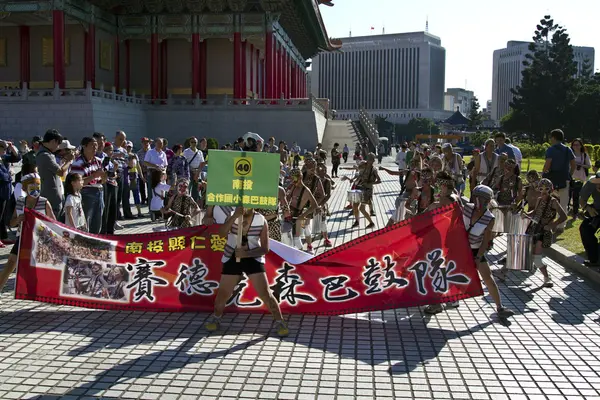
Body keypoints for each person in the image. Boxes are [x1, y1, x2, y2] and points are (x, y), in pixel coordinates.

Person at [424, 185, 514, 318]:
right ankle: (437, 303)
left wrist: (478, 257)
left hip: (475, 250)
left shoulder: (489, 218)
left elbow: (485, 241)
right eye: (477, 197)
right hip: (458, 248)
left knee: (488, 278)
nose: (479, 201)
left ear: (488, 201)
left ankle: (500, 307)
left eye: (483, 199)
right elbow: (449, 209)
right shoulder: (467, 208)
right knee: (445, 274)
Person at [204, 206, 289, 337]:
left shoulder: (261, 220)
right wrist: (233, 217)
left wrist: (247, 254)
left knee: (266, 294)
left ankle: (280, 321)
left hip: (252, 257)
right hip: (231, 256)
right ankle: (216, 318)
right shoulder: (232, 214)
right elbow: (221, 233)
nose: (245, 207)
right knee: (223, 293)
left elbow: (265, 248)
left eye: (249, 204)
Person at [0, 173, 55, 293]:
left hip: (40, 239)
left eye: (38, 186)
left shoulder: (44, 202)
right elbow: (11, 223)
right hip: (23, 238)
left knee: (41, 268)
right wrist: (18, 219)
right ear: (25, 188)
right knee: (10, 263)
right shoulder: (20, 202)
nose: (36, 189)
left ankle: (45, 291)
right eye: (32, 187)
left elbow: (54, 223)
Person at [71, 137, 105, 234]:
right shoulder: (78, 162)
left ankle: (95, 242)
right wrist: (94, 175)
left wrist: (106, 175)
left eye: (96, 145)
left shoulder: (98, 160)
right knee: (86, 221)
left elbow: (102, 180)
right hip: (86, 193)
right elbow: (77, 183)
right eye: (92, 145)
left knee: (97, 221)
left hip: (99, 191)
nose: (95, 147)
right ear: (84, 147)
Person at [543, 129, 575, 232]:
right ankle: (561, 226)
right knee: (564, 202)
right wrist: (569, 175)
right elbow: (573, 164)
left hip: (552, 178)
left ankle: (551, 223)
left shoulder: (551, 150)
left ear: (553, 137)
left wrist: (544, 173)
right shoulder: (567, 149)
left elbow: (548, 164)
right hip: (564, 178)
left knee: (552, 202)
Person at [37, 129, 72, 217]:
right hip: (51, 198)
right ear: (53, 141)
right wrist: (69, 161)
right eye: (58, 143)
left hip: (52, 196)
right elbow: (60, 172)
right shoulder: (45, 155)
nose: (58, 146)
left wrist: (64, 160)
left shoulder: (46, 154)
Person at [286, 168, 319, 251]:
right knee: (288, 237)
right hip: (290, 214)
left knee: (296, 238)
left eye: (294, 179)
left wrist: (303, 215)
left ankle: (301, 254)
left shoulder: (306, 190)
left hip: (299, 215)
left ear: (300, 177)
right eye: (291, 179)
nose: (293, 181)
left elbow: (315, 205)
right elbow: (288, 199)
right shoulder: (294, 186)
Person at [0, 140, 20, 246]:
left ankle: (3, 236)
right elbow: (1, 176)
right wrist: (9, 174)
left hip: (5, 191)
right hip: (1, 190)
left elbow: (16, 158)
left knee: (3, 215)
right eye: (2, 148)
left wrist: (12, 148)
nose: (4, 150)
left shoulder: (3, 158)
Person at [352, 153, 380, 228]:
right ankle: (357, 221)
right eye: (368, 158)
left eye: (371, 158)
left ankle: (371, 223)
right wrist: (356, 167)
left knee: (362, 208)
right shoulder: (363, 165)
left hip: (367, 190)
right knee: (355, 205)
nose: (369, 160)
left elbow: (379, 180)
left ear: (373, 160)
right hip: (360, 187)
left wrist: (370, 182)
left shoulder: (374, 169)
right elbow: (357, 168)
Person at [579, 172, 600, 267]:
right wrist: (588, 208)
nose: (599, 185)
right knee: (585, 228)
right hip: (596, 210)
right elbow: (582, 200)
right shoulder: (590, 183)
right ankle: (593, 259)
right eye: (597, 183)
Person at [144, 138, 168, 220]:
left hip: (161, 174)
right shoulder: (150, 152)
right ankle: (152, 215)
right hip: (152, 173)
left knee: (162, 194)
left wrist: (164, 171)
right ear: (155, 143)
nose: (160, 145)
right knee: (152, 193)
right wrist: (155, 166)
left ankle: (160, 214)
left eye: (161, 143)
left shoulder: (163, 153)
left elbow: (165, 164)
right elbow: (145, 162)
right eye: (158, 143)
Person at [569, 138, 591, 219]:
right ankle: (567, 211)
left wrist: (581, 165)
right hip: (570, 176)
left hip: (580, 178)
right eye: (574, 145)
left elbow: (589, 166)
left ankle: (575, 213)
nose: (576, 146)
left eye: (577, 145)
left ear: (581, 145)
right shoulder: (569, 154)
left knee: (576, 195)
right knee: (568, 194)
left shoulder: (584, 155)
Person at [100, 142, 119, 234]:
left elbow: (113, 173)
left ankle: (111, 230)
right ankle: (105, 231)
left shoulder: (111, 160)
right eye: (110, 150)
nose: (111, 152)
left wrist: (115, 170)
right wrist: (112, 173)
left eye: (112, 150)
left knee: (113, 209)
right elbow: (105, 173)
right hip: (106, 185)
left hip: (113, 184)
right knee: (106, 209)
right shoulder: (103, 158)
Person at [184, 137, 205, 203]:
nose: (193, 143)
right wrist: (192, 169)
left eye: (195, 142)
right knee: (187, 188)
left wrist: (198, 171)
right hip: (189, 172)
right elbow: (184, 162)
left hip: (197, 173)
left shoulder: (200, 152)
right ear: (190, 143)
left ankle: (194, 205)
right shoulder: (186, 151)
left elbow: (202, 163)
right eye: (192, 142)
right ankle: (186, 204)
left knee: (196, 190)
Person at [136, 137, 151, 204]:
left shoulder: (151, 152)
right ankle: (143, 199)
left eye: (147, 142)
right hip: (142, 171)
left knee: (149, 186)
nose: (146, 143)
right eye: (144, 142)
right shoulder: (139, 152)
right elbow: (137, 162)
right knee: (142, 187)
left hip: (149, 171)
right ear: (142, 143)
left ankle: (149, 199)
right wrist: (142, 168)